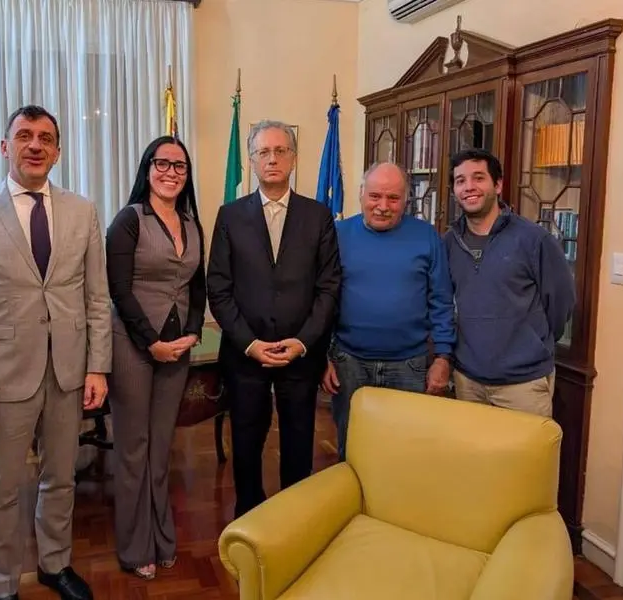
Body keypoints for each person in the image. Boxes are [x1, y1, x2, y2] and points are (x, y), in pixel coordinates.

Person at [0, 104, 111, 600]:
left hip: (67, 373)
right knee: (1, 489)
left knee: (60, 478)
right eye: (24, 135)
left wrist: (97, 366)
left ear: (58, 152)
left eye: (45, 138)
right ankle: (2, 585)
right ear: (6, 146)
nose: (35, 145)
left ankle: (54, 565)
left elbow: (97, 297)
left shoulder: (83, 210)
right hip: (4, 378)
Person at [206, 120, 341, 519]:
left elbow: (329, 287)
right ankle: (249, 515)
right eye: (263, 152)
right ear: (250, 161)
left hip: (300, 355)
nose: (272, 159)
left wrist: (304, 342)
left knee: (300, 442)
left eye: (281, 151)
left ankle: (293, 520)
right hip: (247, 354)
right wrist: (250, 343)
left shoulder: (318, 216)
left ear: (294, 158)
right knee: (246, 441)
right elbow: (219, 286)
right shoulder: (230, 216)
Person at [104, 135, 206, 580]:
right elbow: (119, 290)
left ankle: (164, 536)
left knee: (161, 449)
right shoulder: (128, 221)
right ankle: (134, 546)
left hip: (177, 347)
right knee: (133, 448)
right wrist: (151, 342)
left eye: (179, 166)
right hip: (132, 346)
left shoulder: (192, 221)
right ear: (147, 168)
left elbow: (197, 285)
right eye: (162, 163)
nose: (170, 172)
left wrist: (194, 331)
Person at [321, 162, 455, 462]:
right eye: (375, 196)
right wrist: (322, 357)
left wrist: (443, 358)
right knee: (352, 449)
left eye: (393, 198)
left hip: (410, 366)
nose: (383, 206)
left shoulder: (427, 237)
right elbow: (323, 300)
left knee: (406, 453)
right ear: (361, 194)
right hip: (349, 364)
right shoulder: (337, 235)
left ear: (406, 200)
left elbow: (442, 301)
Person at [444, 148, 575, 417]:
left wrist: (529, 344)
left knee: (527, 459)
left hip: (523, 385)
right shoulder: (448, 242)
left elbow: (560, 305)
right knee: (472, 458)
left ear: (498, 184)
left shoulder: (534, 240)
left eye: (478, 178)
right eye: (460, 180)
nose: (469, 187)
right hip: (467, 381)